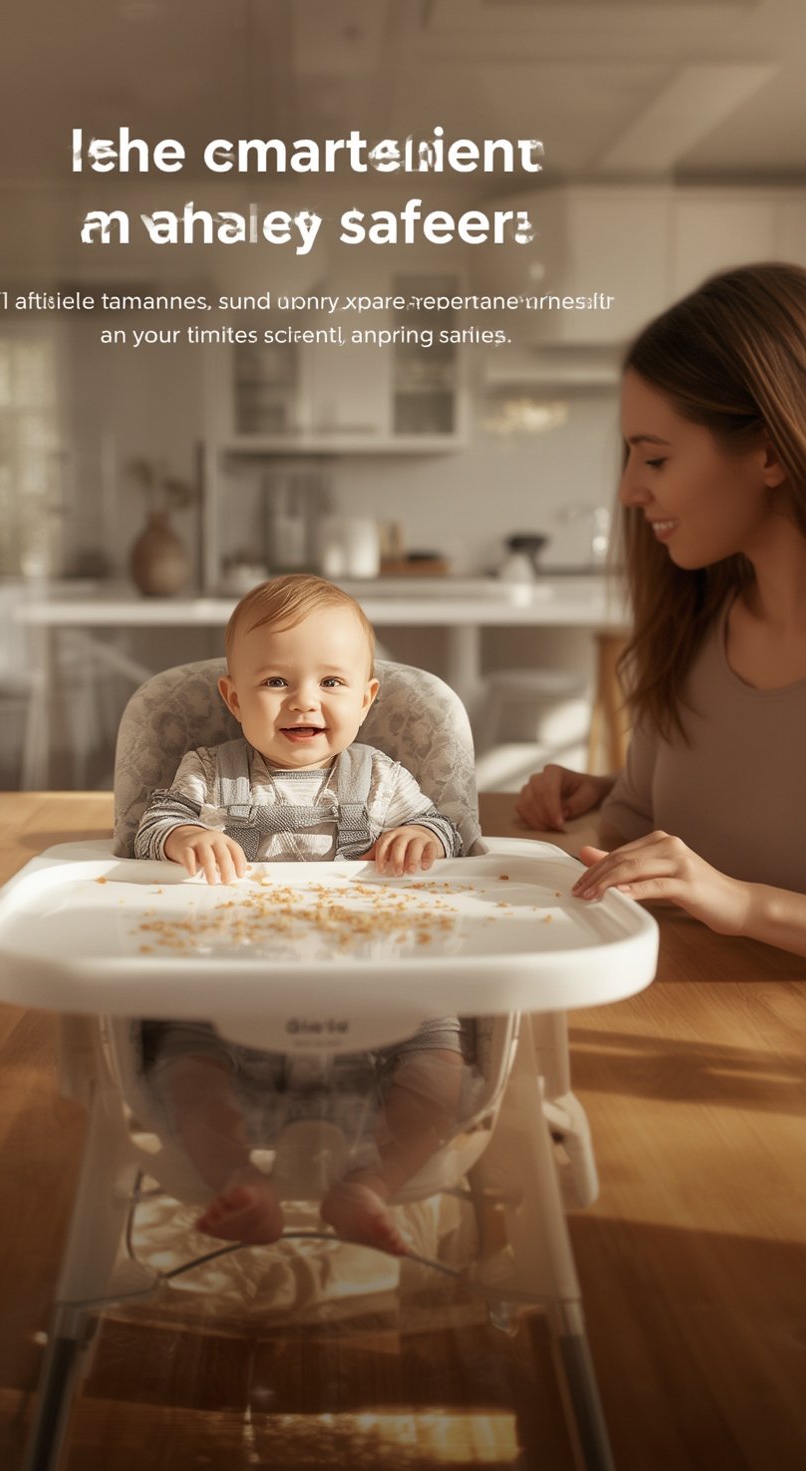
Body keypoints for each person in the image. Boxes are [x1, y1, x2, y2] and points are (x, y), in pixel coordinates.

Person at [134, 573, 472, 1254]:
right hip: (228, 984)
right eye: (277, 683)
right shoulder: (206, 773)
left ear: (368, 698)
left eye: (331, 683)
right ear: (233, 697)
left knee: (439, 1059)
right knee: (184, 1064)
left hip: (380, 983)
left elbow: (448, 834)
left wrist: (423, 839)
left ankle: (373, 1184)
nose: (304, 702)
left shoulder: (380, 779)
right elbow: (152, 826)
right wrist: (185, 836)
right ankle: (238, 1181)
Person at [514, 262, 806, 958]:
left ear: (767, 451)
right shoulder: (691, 634)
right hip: (663, 997)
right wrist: (603, 804)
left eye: (655, 459)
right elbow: (638, 834)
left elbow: (729, 880)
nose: (627, 492)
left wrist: (742, 903)